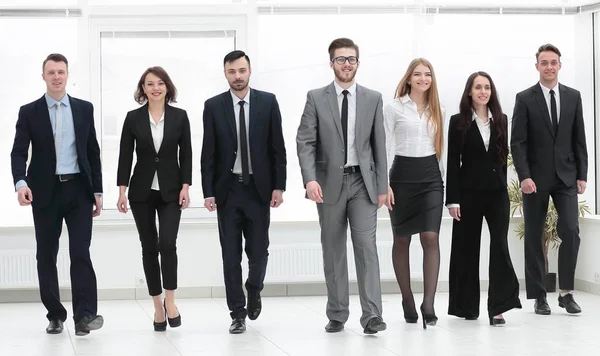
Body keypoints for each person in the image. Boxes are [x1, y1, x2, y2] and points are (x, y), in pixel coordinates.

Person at [296, 37, 388, 335]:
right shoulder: (315, 97)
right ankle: (337, 313)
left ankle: (372, 315)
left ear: (358, 64)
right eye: (340, 59)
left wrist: (383, 187)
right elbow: (305, 142)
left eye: (351, 59)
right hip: (329, 184)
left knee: (366, 247)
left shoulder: (373, 98)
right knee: (333, 249)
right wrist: (309, 178)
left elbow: (379, 145)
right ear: (331, 63)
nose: (346, 64)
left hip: (364, 183)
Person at [10, 53, 104, 336]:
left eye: (61, 72)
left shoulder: (84, 109)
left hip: (78, 191)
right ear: (43, 76)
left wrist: (97, 191)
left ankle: (84, 316)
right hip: (44, 192)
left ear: (67, 75)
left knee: (80, 253)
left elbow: (92, 152)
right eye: (51, 72)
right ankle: (55, 314)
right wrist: (20, 183)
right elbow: (18, 152)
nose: (56, 77)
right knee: (46, 255)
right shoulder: (29, 112)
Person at [201, 50, 287, 334]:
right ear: (225, 74)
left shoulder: (267, 102)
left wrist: (279, 185)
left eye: (241, 71)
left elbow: (278, 148)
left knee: (259, 251)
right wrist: (208, 191)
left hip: (259, 189)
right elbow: (208, 153)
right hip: (228, 190)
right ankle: (237, 313)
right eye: (231, 72)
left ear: (249, 71)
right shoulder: (213, 106)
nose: (237, 77)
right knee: (230, 255)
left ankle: (254, 288)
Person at [511, 43, 588, 315]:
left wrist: (582, 174)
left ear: (559, 65)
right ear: (537, 66)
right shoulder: (524, 98)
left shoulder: (573, 96)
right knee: (534, 235)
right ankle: (539, 295)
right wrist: (524, 176)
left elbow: (579, 137)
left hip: (566, 176)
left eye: (553, 62)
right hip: (535, 179)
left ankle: (566, 292)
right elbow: (517, 142)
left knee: (571, 231)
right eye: (544, 62)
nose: (549, 67)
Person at [116, 66, 191, 331]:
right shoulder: (133, 118)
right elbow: (125, 155)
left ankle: (171, 301)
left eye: (160, 83)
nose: (155, 88)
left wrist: (186, 186)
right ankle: (157, 305)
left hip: (172, 191)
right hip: (141, 192)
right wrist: (122, 191)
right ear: (143, 89)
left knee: (168, 244)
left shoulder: (180, 117)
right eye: (150, 84)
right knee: (149, 246)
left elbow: (187, 154)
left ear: (167, 87)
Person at [446, 71, 522, 326]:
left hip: (497, 193)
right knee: (466, 248)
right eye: (478, 87)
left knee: (499, 246)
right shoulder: (458, 122)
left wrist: (502, 183)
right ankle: (467, 306)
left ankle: (498, 307)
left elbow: (502, 158)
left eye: (487, 87)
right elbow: (452, 163)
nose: (483, 92)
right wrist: (452, 200)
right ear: (470, 91)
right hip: (467, 194)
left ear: (492, 91)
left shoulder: (501, 119)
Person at [384, 58, 444, 329]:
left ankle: (428, 303)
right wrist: (383, 184)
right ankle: (407, 298)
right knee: (402, 239)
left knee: (430, 237)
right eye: (417, 74)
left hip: (431, 176)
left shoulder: (438, 109)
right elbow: (385, 145)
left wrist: (445, 183)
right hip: (402, 177)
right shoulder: (393, 107)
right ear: (408, 78)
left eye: (427, 74)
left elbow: (442, 149)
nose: (423, 79)